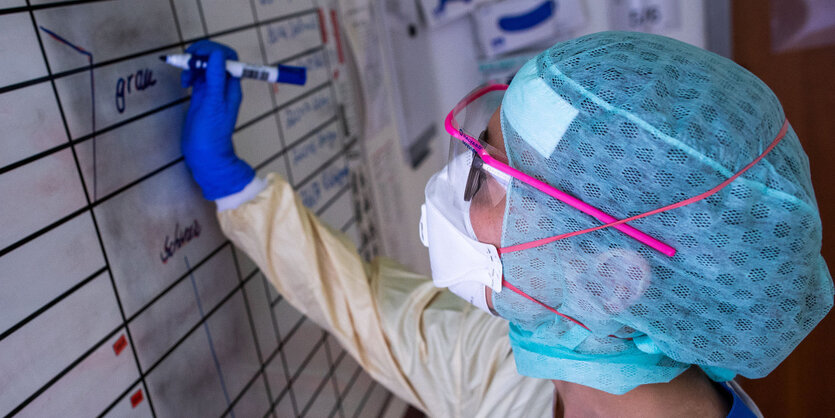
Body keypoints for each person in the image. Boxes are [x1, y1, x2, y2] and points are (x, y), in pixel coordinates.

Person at [180, 32, 833, 417]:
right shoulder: (544, 364)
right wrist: (237, 187)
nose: (452, 189)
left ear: (609, 280)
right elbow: (380, 318)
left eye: (486, 181)